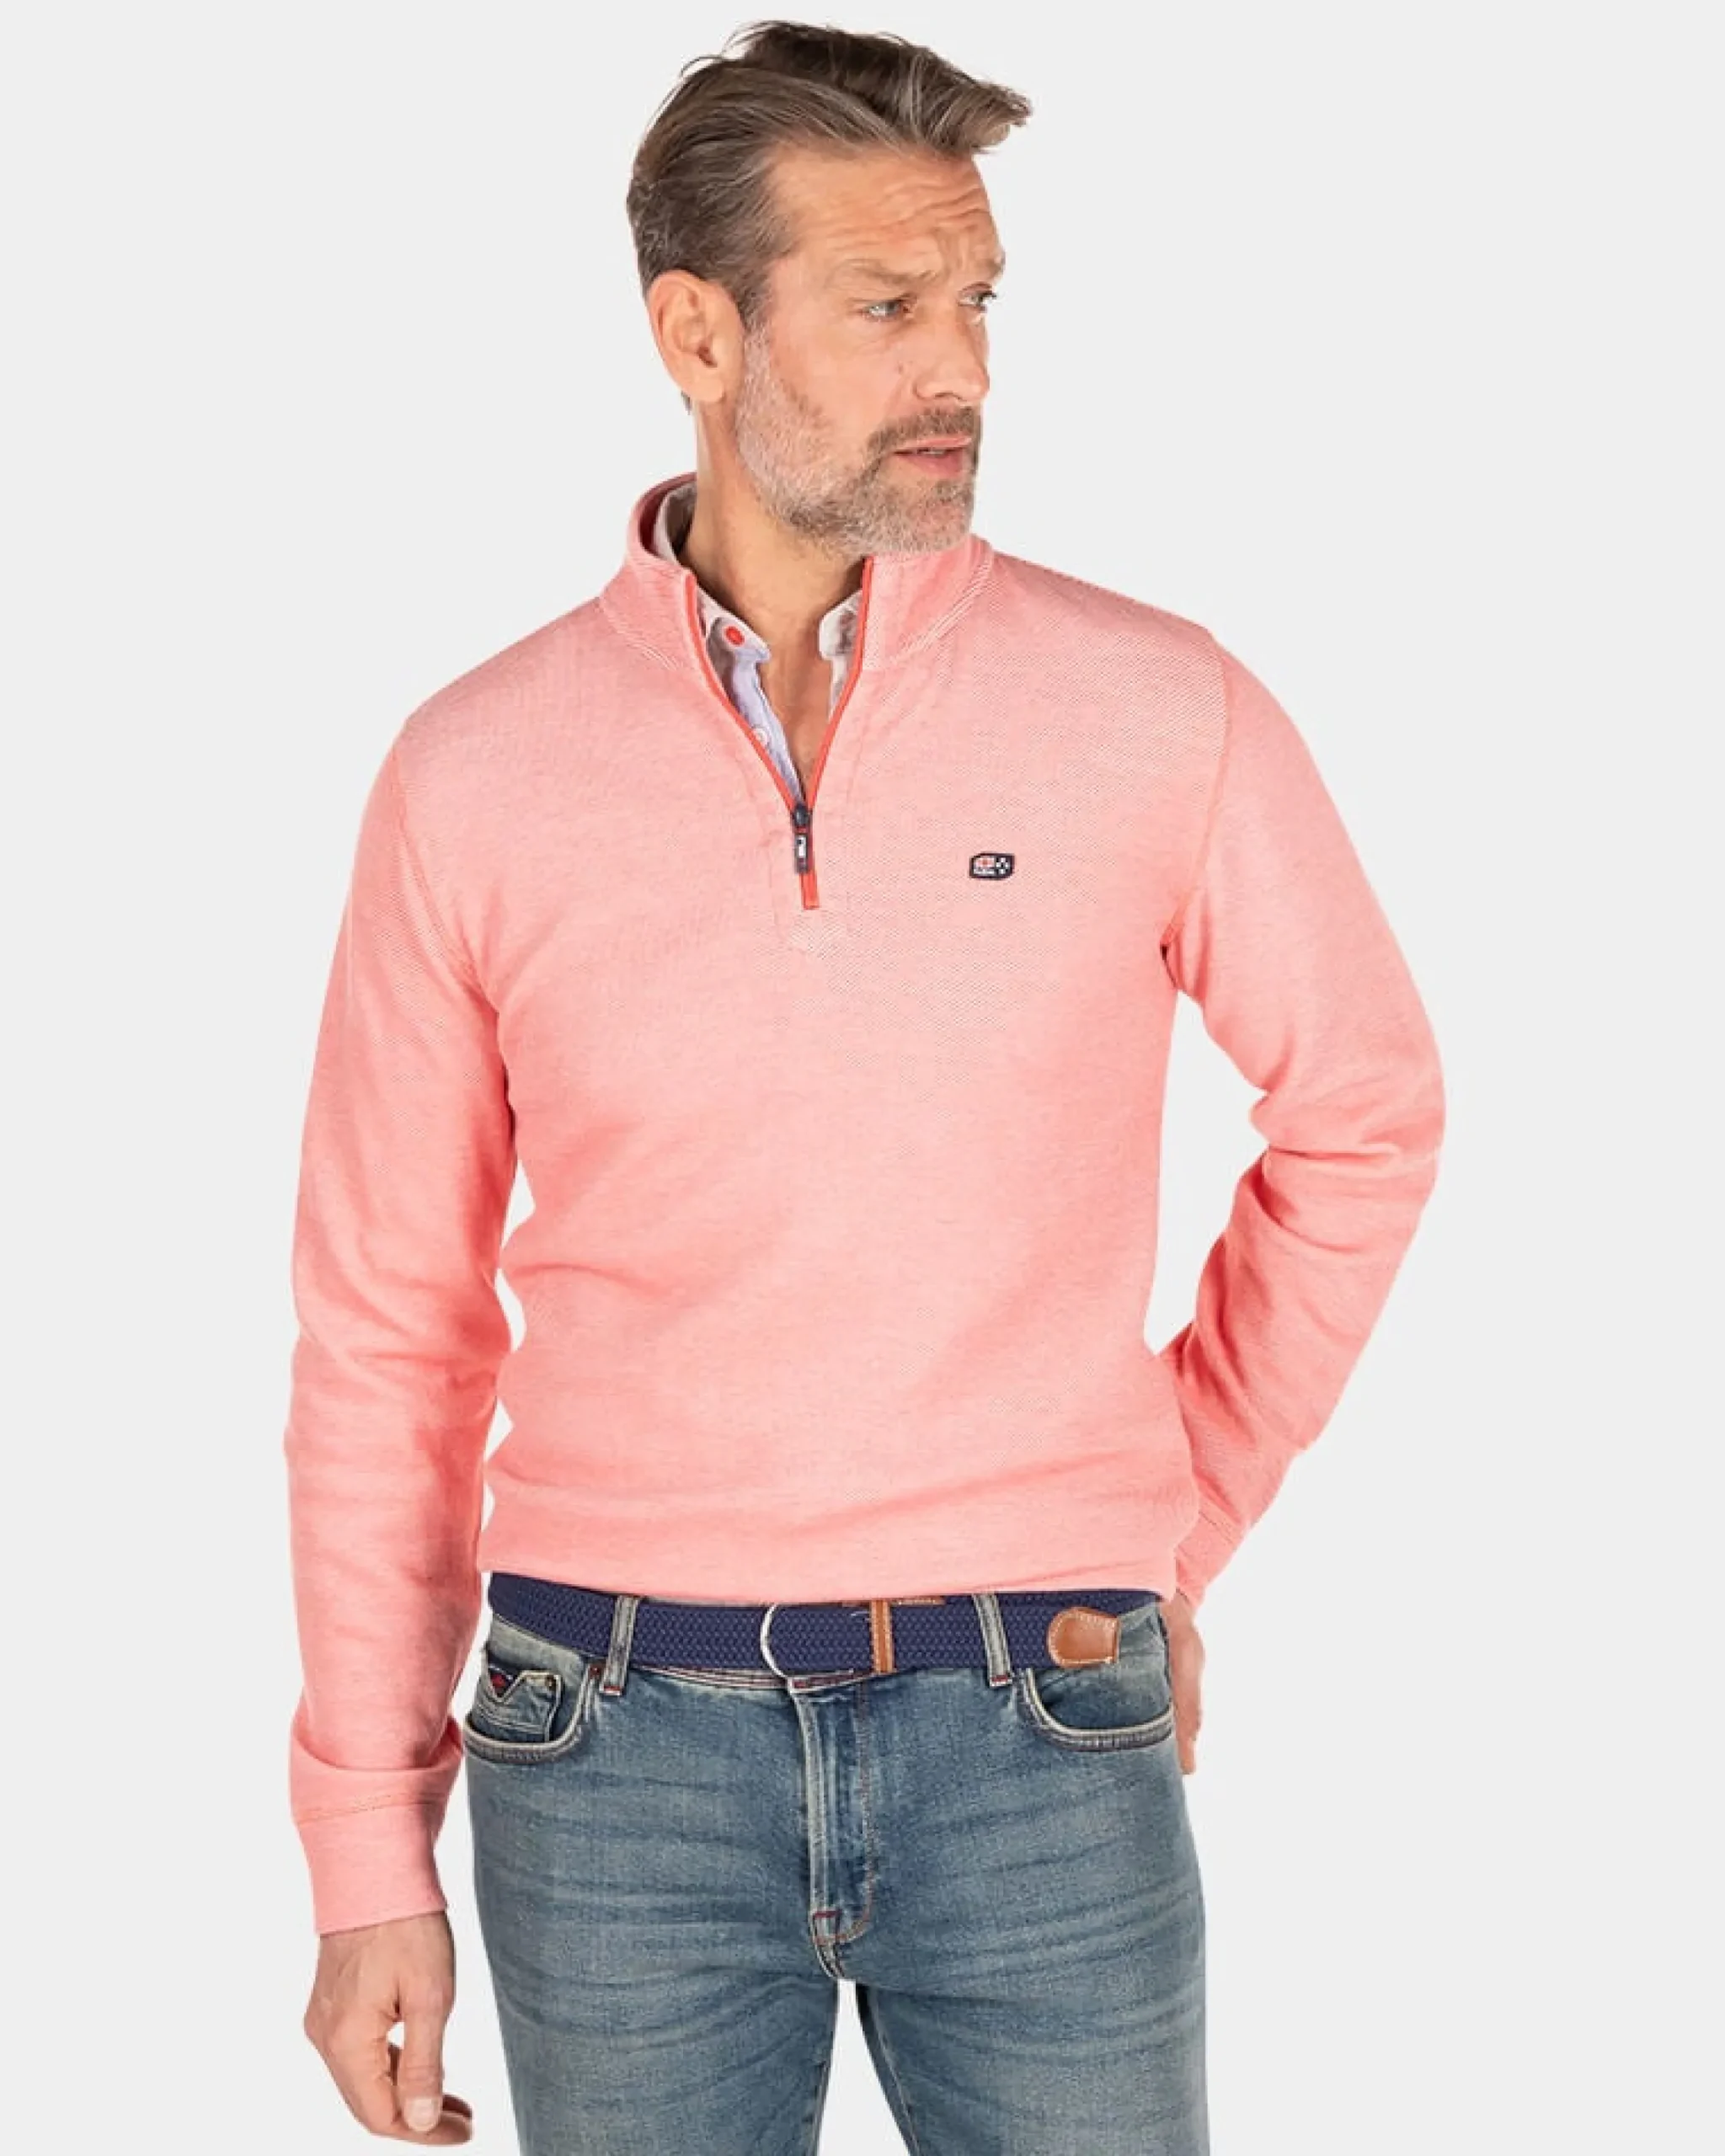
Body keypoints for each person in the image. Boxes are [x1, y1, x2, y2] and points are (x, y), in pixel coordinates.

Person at [285, 20, 1445, 2153]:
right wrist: (369, 1847)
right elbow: (386, 1330)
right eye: (889, 307)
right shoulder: (473, 771)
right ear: (696, 333)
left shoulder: (1157, 707)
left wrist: (1165, 1520)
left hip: (1038, 1716)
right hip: (604, 1743)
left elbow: (1363, 1113)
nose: (961, 370)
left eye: (979, 301)